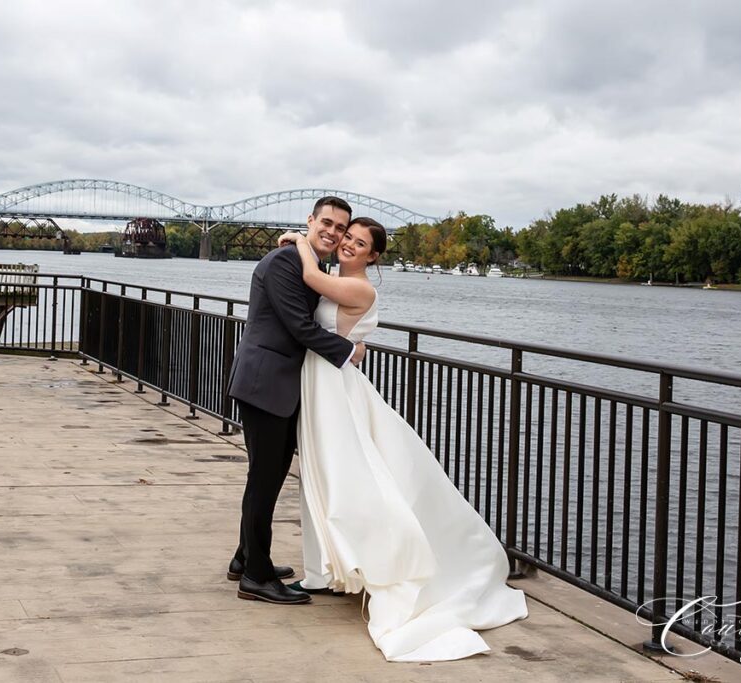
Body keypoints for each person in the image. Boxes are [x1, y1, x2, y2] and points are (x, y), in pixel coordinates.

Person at [276, 218, 528, 661]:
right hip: (323, 379)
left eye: (359, 243)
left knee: (345, 476)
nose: (349, 245)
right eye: (348, 238)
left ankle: (378, 560)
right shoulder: (343, 280)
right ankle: (324, 571)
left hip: (333, 388)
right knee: (320, 476)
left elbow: (310, 278)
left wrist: (299, 240)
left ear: (374, 256)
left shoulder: (360, 288)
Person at [226, 196, 367, 605]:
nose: (333, 232)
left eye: (341, 228)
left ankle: (245, 557)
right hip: (265, 384)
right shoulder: (285, 263)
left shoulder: (305, 262)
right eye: (327, 222)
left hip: (275, 385)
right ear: (310, 221)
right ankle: (255, 576)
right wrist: (348, 352)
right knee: (264, 480)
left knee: (264, 476)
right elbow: (300, 327)